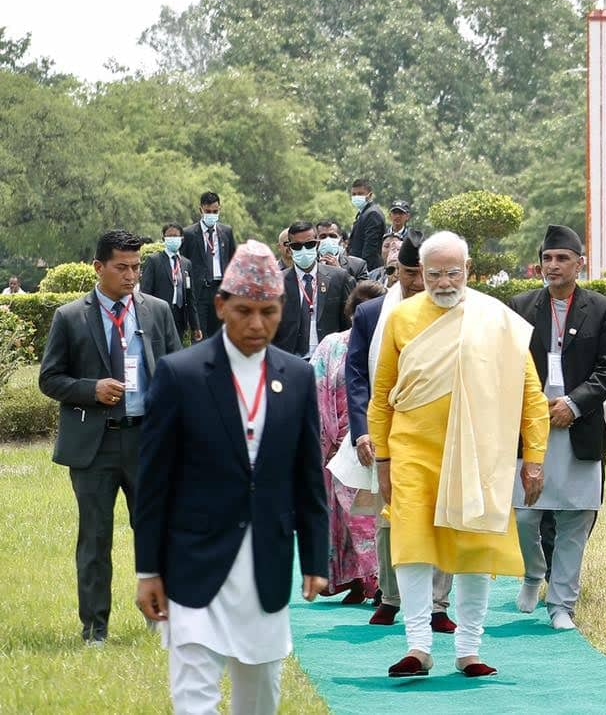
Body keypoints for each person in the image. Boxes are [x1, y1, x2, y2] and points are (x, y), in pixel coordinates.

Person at [132, 240, 330, 715]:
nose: (256, 324)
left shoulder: (297, 378)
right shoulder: (180, 375)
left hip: (266, 562)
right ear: (221, 305)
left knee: (260, 695)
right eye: (243, 310)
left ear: (282, 308)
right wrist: (147, 570)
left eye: (268, 311)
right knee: (194, 698)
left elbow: (308, 476)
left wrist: (317, 559)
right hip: (193, 561)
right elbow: (153, 481)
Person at [368, 230, 550, 679]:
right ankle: (418, 647)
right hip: (413, 453)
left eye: (453, 272)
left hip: (479, 454)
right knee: (411, 547)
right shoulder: (401, 318)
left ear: (468, 270)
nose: (445, 282)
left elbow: (531, 394)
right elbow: (381, 396)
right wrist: (384, 461)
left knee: (473, 547)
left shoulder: (496, 319)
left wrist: (535, 457)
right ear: (418, 275)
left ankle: (468, 648)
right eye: (434, 274)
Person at [37, 229, 183, 645]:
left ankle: (160, 620)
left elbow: (175, 371)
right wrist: (91, 389)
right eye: (122, 267)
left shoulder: (156, 311)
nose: (131, 275)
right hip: (94, 446)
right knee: (95, 539)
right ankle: (94, 630)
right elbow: (49, 379)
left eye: (137, 267)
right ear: (99, 267)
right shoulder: (69, 317)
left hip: (147, 443)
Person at [508, 225, 606, 632]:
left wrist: (574, 404)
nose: (553, 266)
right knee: (526, 515)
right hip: (532, 423)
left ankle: (562, 603)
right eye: (547, 258)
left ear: (580, 264)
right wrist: (536, 407)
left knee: (574, 517)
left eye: (562, 258)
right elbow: (506, 365)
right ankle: (532, 574)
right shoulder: (521, 306)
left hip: (580, 424)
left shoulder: (601, 308)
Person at [346, 232, 455, 629]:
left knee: (442, 514)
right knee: (390, 516)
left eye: (419, 273)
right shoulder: (373, 313)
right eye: (406, 273)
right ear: (396, 271)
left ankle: (438, 605)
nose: (413, 282)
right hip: (387, 431)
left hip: (442, 429)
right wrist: (361, 431)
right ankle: (390, 598)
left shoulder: (452, 311)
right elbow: (357, 376)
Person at [310, 279, 386, 604]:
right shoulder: (331, 345)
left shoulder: (388, 346)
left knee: (371, 518)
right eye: (358, 312)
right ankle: (357, 580)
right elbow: (312, 388)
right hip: (337, 446)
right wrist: (324, 436)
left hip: (379, 444)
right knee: (342, 520)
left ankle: (382, 583)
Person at [274, 220, 357, 359]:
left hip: (329, 360)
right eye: (297, 246)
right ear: (289, 248)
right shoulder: (277, 282)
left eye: (309, 244)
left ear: (317, 244)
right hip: (290, 360)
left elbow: (348, 325)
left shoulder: (339, 278)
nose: (304, 250)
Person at [180, 191, 237, 339]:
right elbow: (183, 263)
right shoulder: (189, 234)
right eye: (208, 211)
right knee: (200, 337)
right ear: (201, 210)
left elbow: (233, 261)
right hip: (200, 292)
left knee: (220, 336)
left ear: (220, 209)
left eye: (215, 211)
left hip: (220, 289)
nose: (212, 214)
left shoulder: (226, 232)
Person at [141, 223, 202, 341]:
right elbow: (145, 292)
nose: (172, 239)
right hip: (159, 315)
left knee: (176, 350)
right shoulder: (154, 260)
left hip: (180, 315)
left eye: (175, 236)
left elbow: (190, 297)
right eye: (169, 236)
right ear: (164, 239)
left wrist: (195, 326)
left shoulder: (186, 264)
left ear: (182, 239)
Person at [349, 179, 386, 271]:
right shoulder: (362, 213)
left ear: (369, 195)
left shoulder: (372, 214)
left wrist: (361, 272)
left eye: (360, 193)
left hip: (368, 269)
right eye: (354, 194)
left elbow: (370, 249)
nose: (356, 197)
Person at [382, 200, 413, 267]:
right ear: (390, 215)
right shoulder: (382, 234)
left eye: (401, 213)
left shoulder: (411, 238)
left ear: (407, 216)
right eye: (395, 213)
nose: (397, 216)